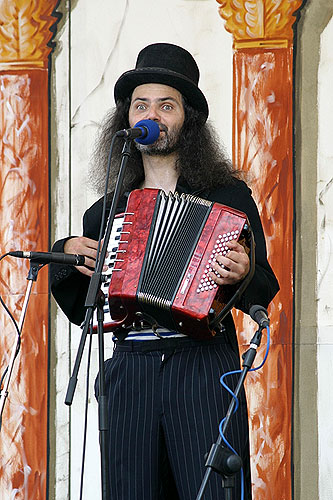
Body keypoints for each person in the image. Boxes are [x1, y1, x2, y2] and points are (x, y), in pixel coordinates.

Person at [50, 43, 279, 499]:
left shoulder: (228, 197)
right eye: (141, 105)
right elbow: (87, 306)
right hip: (129, 370)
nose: (151, 114)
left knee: (212, 491)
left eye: (166, 105)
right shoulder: (106, 211)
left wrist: (242, 271)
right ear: (128, 120)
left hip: (202, 365)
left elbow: (263, 281)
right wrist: (68, 251)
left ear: (187, 120)